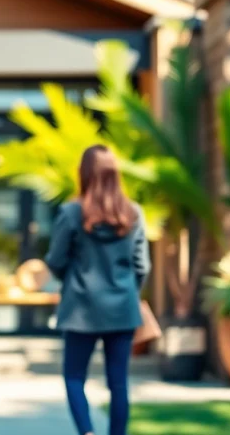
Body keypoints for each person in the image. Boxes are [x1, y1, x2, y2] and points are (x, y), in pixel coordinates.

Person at [44, 144, 151, 435]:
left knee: (74, 377)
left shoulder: (71, 213)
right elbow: (142, 266)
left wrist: (71, 279)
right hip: (122, 309)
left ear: (84, 174)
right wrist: (127, 292)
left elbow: (56, 260)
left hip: (80, 309)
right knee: (119, 383)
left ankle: (87, 432)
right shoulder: (134, 214)